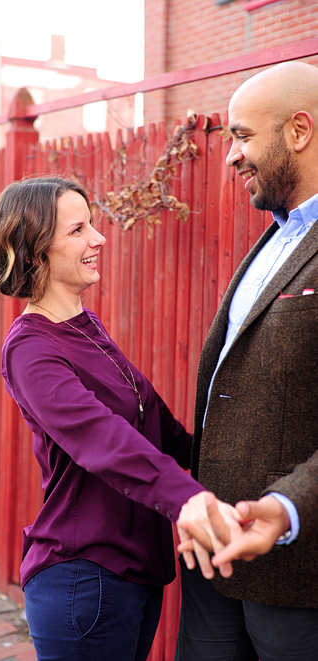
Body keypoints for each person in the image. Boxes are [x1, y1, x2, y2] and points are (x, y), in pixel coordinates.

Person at [0, 176, 225, 661]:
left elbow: (156, 427)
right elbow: (100, 438)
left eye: (92, 224)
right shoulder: (29, 348)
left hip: (133, 571)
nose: (98, 238)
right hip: (83, 577)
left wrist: (232, 466)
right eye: (78, 230)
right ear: (34, 252)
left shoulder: (86, 326)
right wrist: (187, 499)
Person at [173, 61, 318, 661]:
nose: (230, 156)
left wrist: (286, 508)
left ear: (299, 131)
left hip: (295, 574)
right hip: (214, 555)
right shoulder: (277, 233)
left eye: (241, 136)